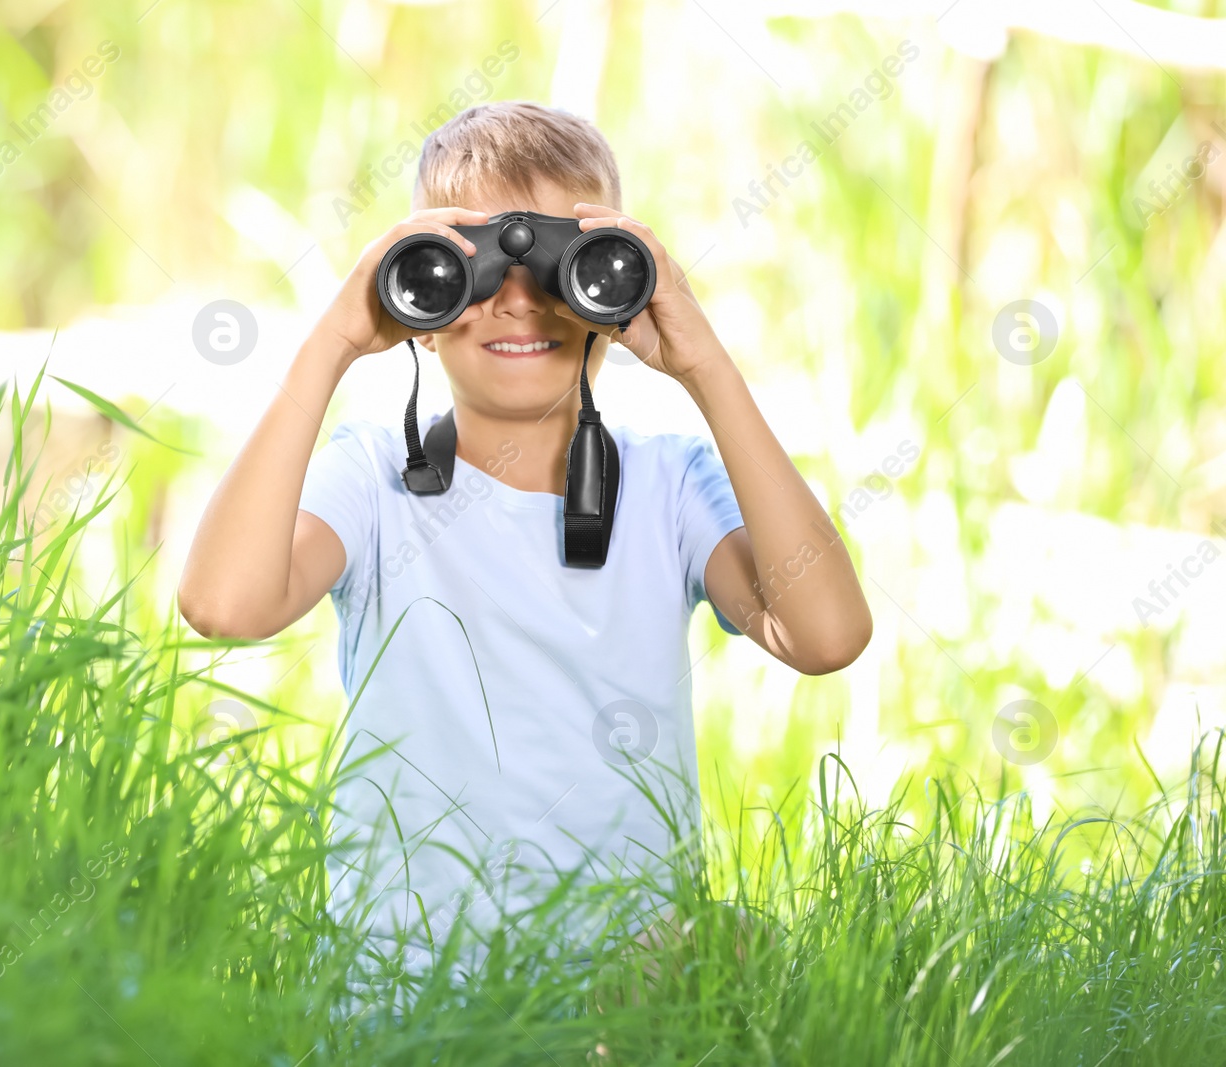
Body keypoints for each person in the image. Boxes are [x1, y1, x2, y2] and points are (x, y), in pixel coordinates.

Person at [179, 101, 872, 979]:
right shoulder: (373, 478)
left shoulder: (671, 487)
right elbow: (221, 605)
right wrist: (335, 340)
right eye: (467, 268)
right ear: (419, 293)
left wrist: (706, 366)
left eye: (558, 265)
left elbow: (828, 634)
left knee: (741, 950)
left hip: (619, 991)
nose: (517, 301)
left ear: (617, 286)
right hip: (406, 992)